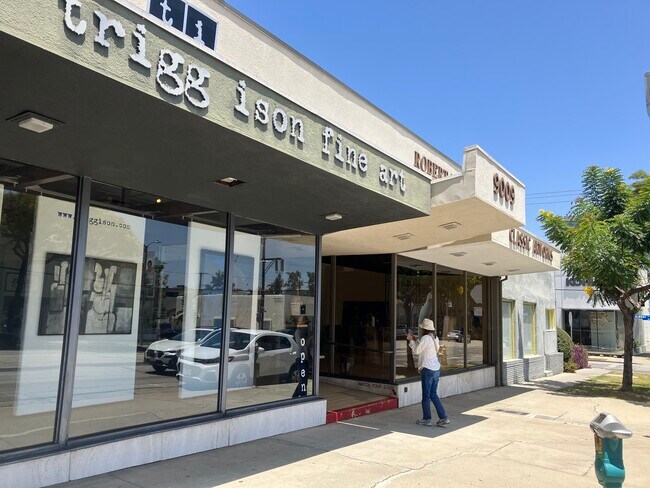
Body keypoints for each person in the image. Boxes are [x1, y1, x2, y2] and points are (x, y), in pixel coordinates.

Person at [407, 318, 449, 427]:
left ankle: (426, 419)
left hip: (428, 369)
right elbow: (424, 348)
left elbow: (417, 351)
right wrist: (416, 340)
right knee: (433, 394)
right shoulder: (435, 338)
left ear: (424, 329)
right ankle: (443, 417)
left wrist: (411, 340)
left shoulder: (425, 338)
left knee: (426, 396)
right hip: (435, 369)